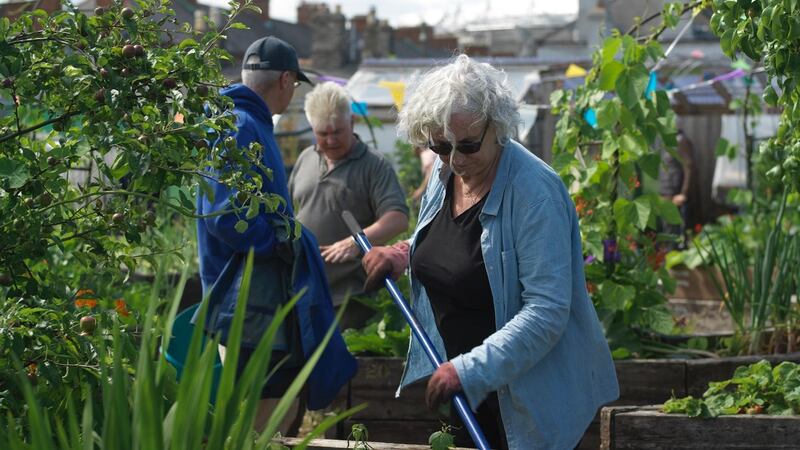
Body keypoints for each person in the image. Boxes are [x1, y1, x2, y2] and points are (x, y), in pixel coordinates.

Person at [361, 55, 619, 450]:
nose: (455, 159)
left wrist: (467, 370)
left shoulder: (534, 194)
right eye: (441, 146)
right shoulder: (446, 174)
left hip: (526, 397)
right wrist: (402, 253)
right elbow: (451, 243)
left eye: (467, 145)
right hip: (470, 390)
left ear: (497, 127)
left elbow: (546, 311)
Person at [196, 36, 356, 434]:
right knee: (262, 417)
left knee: (280, 407)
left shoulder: (245, 122)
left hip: (258, 300)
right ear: (286, 79)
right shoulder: (239, 124)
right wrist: (279, 243)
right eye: (295, 84)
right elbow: (226, 214)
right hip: (245, 302)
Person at [288, 81, 409, 330]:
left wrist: (355, 243)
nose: (331, 140)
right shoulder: (306, 158)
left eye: (337, 132)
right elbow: (290, 211)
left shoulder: (374, 165)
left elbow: (398, 217)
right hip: (305, 292)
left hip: (351, 298)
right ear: (312, 129)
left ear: (352, 122)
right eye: (323, 134)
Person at [658, 127, 695, 249]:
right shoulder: (667, 141)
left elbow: (688, 167)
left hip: (676, 194)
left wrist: (684, 193)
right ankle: (670, 261)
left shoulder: (681, 141)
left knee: (676, 232)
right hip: (666, 193)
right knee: (668, 230)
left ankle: (676, 263)